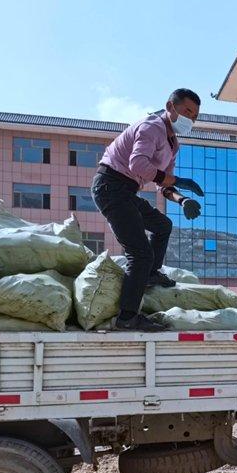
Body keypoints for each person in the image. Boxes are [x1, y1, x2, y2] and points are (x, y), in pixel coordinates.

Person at [92, 88, 206, 331]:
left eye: (195, 116)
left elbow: (162, 184)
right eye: (187, 111)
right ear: (170, 106)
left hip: (127, 190)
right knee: (140, 253)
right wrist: (177, 181)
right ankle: (127, 317)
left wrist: (182, 199)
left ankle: (151, 273)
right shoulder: (151, 127)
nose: (191, 120)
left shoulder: (173, 144)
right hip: (110, 185)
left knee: (163, 225)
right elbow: (138, 163)